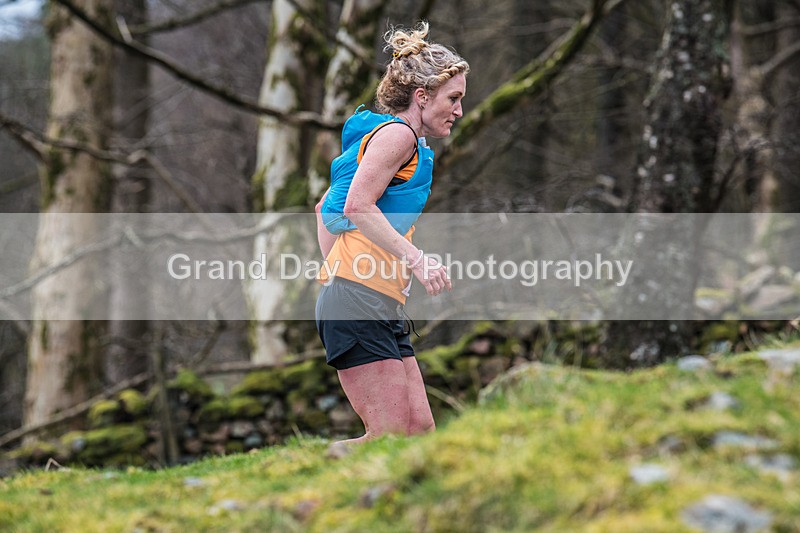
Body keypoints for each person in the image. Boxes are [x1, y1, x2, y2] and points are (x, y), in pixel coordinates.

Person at [314, 21, 469, 450]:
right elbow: (355, 207)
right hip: (356, 300)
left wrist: (337, 273)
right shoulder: (397, 135)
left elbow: (322, 209)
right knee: (388, 440)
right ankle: (331, 470)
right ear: (422, 96)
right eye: (452, 99)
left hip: (375, 299)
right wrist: (413, 261)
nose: (458, 110)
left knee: (418, 431)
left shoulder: (403, 144)